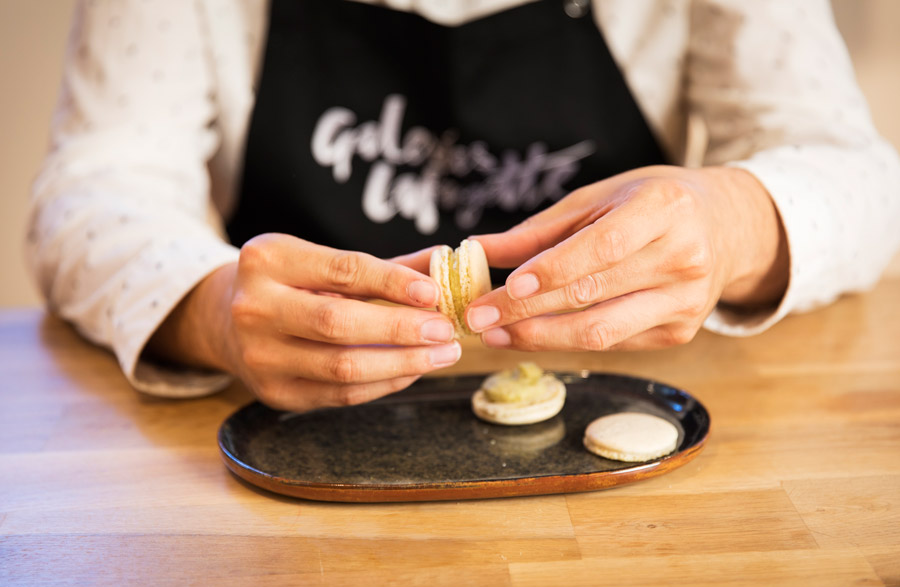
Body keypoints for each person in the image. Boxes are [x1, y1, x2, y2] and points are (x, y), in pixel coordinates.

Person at [27, 0, 900, 412]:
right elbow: (94, 188)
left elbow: (865, 181)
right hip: (286, 446)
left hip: (630, 431)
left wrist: (731, 219)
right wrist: (212, 311)